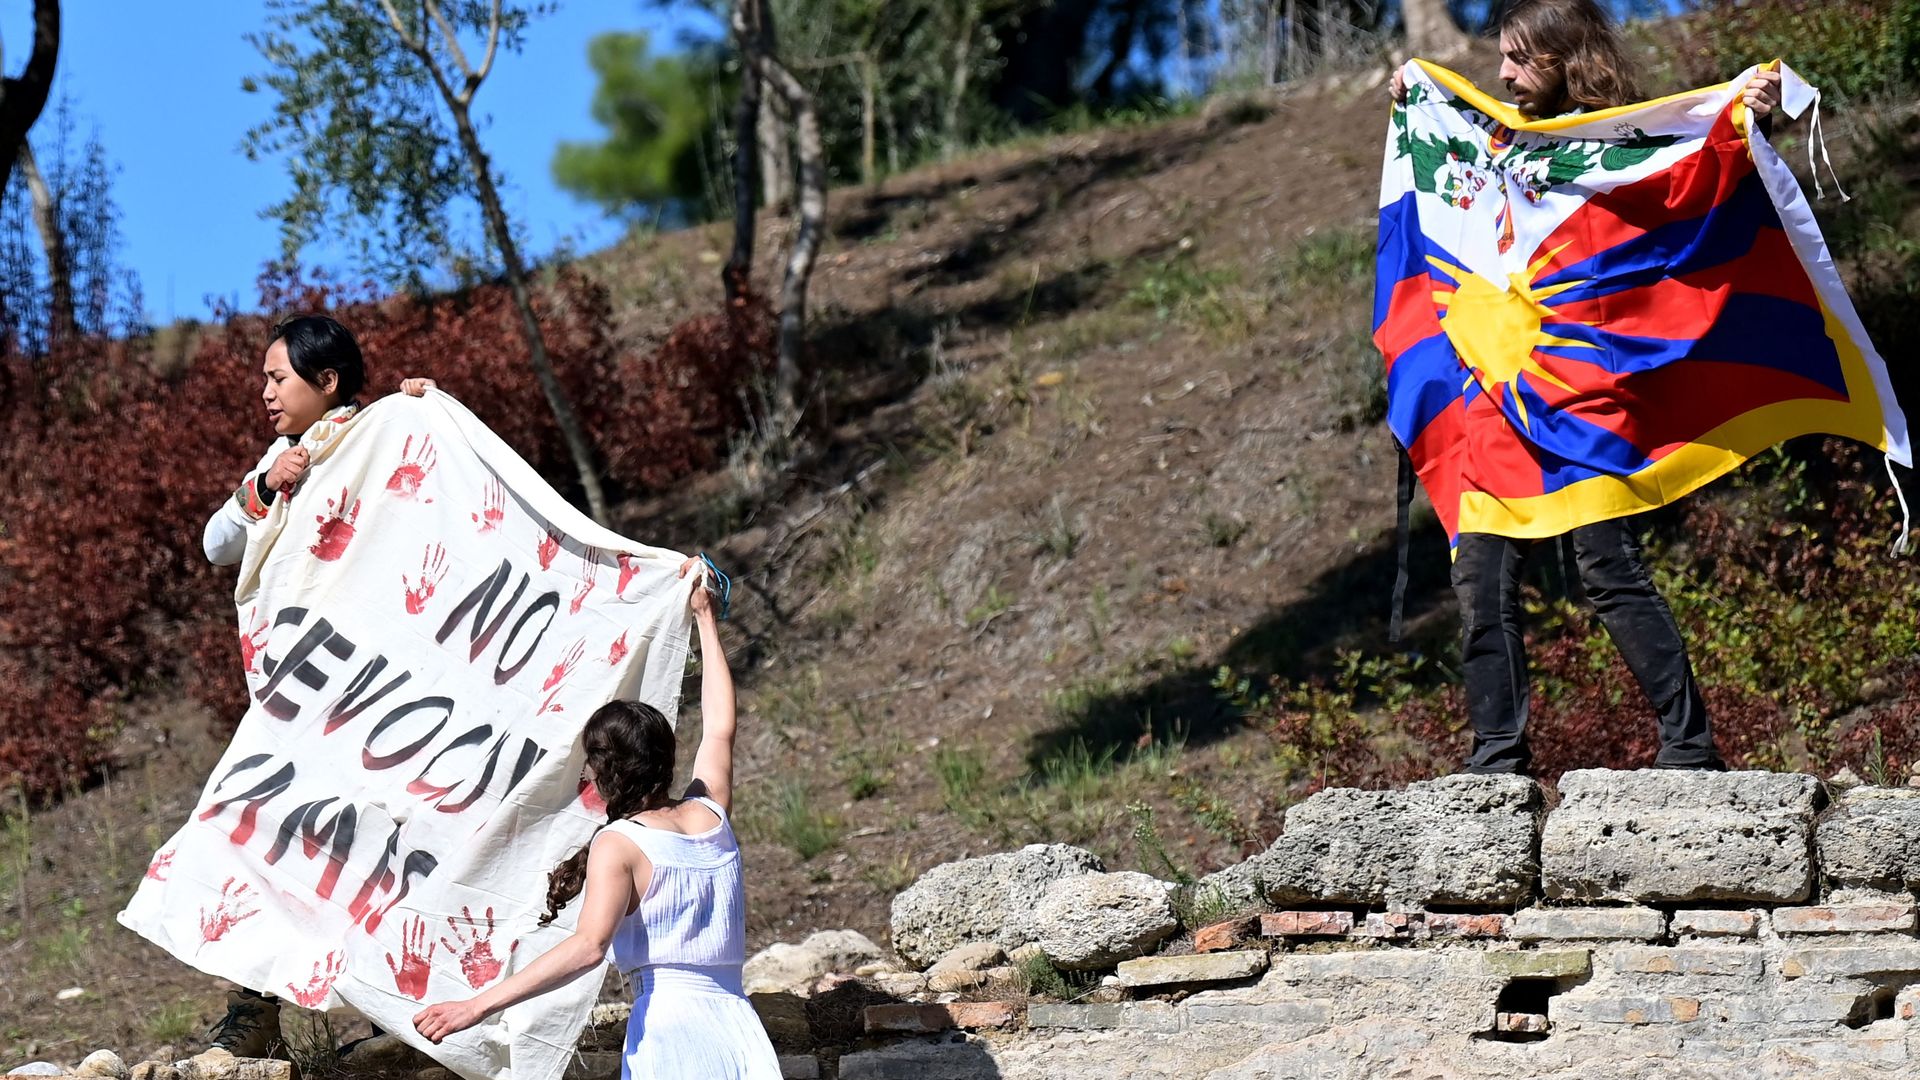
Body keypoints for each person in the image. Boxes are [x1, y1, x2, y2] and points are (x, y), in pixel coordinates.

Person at [1388, 0, 1783, 775]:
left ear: (1572, 59)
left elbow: (1695, 177)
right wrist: (1417, 98)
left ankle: (1691, 749)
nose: (1502, 72)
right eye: (1501, 56)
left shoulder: (1619, 145)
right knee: (1481, 577)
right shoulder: (1498, 138)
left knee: (1606, 566)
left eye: (1522, 59)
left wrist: (1750, 119)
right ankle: (1495, 765)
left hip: (1584, 391)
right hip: (1494, 391)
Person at [414, 561, 780, 1080]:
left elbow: (588, 948)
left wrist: (477, 1006)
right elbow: (721, 726)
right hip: (739, 1026)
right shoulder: (710, 814)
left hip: (670, 1032)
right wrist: (704, 618)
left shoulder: (620, 844)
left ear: (603, 770)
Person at [200, 312, 433, 1055]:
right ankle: (256, 1010)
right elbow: (216, 544)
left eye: (278, 377)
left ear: (326, 381)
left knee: (383, 846)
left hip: (382, 692)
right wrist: (267, 484)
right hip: (305, 696)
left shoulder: (386, 430)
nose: (266, 392)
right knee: (278, 835)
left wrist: (426, 412)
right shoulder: (281, 457)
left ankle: (400, 1012)